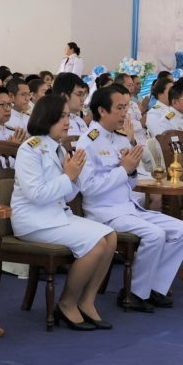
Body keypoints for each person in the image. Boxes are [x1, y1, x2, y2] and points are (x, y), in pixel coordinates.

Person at [77, 85, 183, 312]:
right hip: (105, 212)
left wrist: (130, 172)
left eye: (126, 107)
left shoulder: (120, 139)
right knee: (155, 234)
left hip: (128, 208)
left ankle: (155, 288)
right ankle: (134, 293)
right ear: (102, 111)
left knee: (182, 230)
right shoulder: (88, 142)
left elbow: (130, 183)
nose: (125, 113)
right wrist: (123, 169)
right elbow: (89, 188)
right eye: (119, 108)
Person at [11, 94, 117, 331]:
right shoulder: (30, 149)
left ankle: (87, 301)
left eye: (68, 116)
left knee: (110, 237)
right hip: (34, 220)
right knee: (96, 244)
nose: (67, 122)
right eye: (61, 117)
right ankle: (67, 303)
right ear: (46, 117)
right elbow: (36, 194)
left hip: (56, 216)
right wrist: (68, 176)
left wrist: (75, 178)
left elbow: (66, 197)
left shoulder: (58, 148)